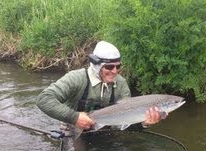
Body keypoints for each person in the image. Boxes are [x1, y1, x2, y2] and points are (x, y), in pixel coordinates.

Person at [36, 41, 165, 137]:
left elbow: (125, 122)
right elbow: (44, 99)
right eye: (109, 67)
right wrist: (75, 117)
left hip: (107, 126)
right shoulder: (76, 78)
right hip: (73, 125)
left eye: (118, 66)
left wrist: (144, 123)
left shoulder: (121, 84)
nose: (115, 71)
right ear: (97, 66)